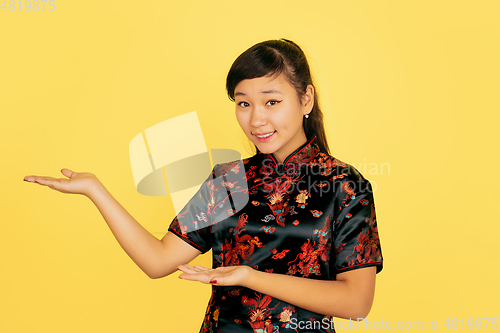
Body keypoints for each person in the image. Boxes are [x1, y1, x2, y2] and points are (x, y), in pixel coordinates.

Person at [23, 39, 383, 333]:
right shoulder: (228, 180)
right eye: (244, 104)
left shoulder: (344, 185)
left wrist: (249, 276)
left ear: (306, 99)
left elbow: (356, 303)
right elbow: (158, 260)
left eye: (272, 101)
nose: (256, 119)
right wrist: (96, 191)